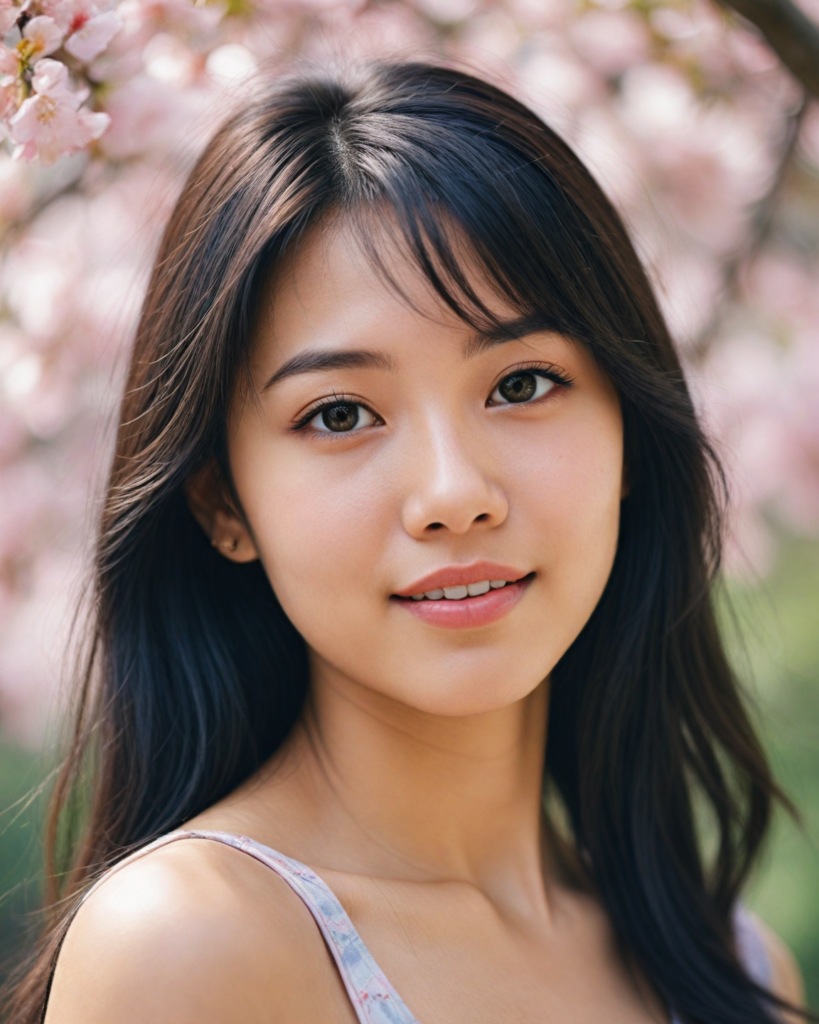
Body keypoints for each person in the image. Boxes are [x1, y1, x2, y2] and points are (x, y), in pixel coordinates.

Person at [4, 61, 806, 1024]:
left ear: (628, 431)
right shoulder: (193, 944)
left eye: (520, 385)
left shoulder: (737, 965)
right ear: (224, 503)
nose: (453, 495)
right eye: (340, 413)